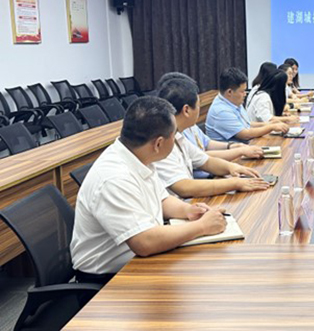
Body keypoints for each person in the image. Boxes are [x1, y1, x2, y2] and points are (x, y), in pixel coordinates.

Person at [71, 97, 229, 278]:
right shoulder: (114, 178)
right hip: (109, 279)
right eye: (174, 135)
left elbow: (161, 199)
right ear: (158, 144)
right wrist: (202, 226)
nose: (176, 139)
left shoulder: (140, 155)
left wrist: (188, 210)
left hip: (141, 258)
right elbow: (144, 243)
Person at [156, 79, 270, 198]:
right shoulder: (161, 143)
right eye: (198, 105)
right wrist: (235, 183)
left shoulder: (178, 136)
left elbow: (206, 161)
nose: (199, 109)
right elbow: (184, 187)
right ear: (186, 110)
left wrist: (233, 168)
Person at [157, 72, 264, 163]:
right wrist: (239, 151)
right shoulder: (172, 136)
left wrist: (231, 146)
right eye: (198, 105)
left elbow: (206, 143)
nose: (245, 94)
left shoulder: (189, 125)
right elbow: (201, 156)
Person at [206, 68, 289, 142]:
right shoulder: (221, 111)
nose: (245, 94)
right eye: (242, 91)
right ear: (229, 92)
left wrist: (268, 124)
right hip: (234, 153)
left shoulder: (232, 101)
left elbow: (247, 124)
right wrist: (271, 127)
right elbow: (245, 134)